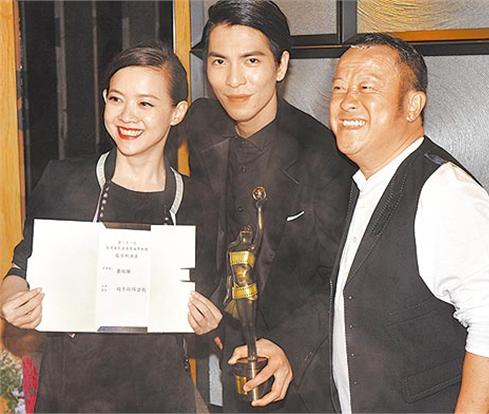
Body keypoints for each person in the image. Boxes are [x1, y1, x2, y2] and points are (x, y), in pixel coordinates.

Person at [0, 42, 219, 412]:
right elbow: (20, 268)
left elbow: (210, 293)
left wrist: (208, 319)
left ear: (177, 112)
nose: (127, 116)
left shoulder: (197, 200)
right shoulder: (62, 181)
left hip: (161, 395)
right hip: (70, 395)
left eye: (145, 104)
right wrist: (10, 302)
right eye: (116, 99)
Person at [173, 1, 354, 412]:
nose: (233, 80)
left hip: (305, 371)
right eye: (219, 61)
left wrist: (290, 344)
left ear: (281, 65)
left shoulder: (324, 154)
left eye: (251, 60)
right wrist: (210, 301)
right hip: (234, 355)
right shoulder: (202, 127)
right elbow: (204, 220)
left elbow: (344, 277)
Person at [329, 32, 489, 412]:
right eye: (339, 87)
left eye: (367, 87)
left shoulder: (445, 191)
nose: (347, 101)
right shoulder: (366, 182)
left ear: (412, 105)